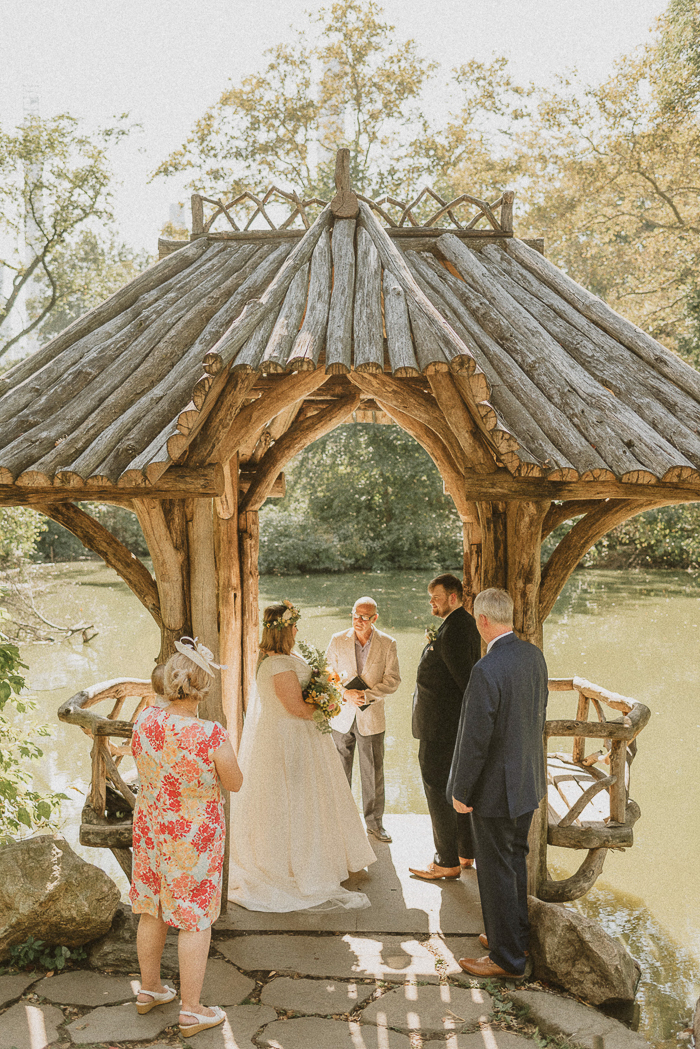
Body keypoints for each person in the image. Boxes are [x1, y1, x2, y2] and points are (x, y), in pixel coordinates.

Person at [228, 602, 376, 912]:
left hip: (301, 737)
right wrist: (328, 707)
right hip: (289, 740)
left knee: (311, 798)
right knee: (294, 798)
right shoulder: (278, 664)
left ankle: (328, 857)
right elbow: (294, 707)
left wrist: (327, 698)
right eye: (293, 625)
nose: (297, 630)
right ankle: (295, 865)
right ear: (283, 630)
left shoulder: (285, 658)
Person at [130, 638, 243, 1036]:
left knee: (152, 907)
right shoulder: (210, 734)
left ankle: (149, 989)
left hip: (151, 830)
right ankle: (192, 1009)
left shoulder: (144, 720)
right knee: (195, 919)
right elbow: (235, 782)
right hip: (193, 837)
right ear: (202, 686)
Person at [449, 588, 548, 979]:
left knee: (494, 870)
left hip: (494, 789)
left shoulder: (486, 669)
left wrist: (461, 790)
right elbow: (536, 715)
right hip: (526, 782)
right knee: (514, 863)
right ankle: (513, 937)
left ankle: (507, 959)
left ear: (483, 621)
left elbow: (476, 740)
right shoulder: (533, 656)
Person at [409, 573, 481, 881]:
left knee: (437, 790)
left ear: (453, 597)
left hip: (440, 730)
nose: (431, 603)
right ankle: (465, 853)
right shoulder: (461, 625)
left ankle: (446, 860)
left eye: (436, 597)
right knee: (455, 790)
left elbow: (465, 682)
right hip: (448, 728)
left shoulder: (453, 631)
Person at [327, 597, 401, 844]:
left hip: (371, 716)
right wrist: (345, 693)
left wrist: (367, 695)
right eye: (355, 615)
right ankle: (340, 820)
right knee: (339, 771)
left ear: (375, 619)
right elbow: (327, 673)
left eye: (364, 617)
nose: (358, 620)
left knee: (373, 772)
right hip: (341, 717)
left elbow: (393, 680)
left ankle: (375, 824)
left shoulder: (388, 643)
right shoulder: (338, 639)